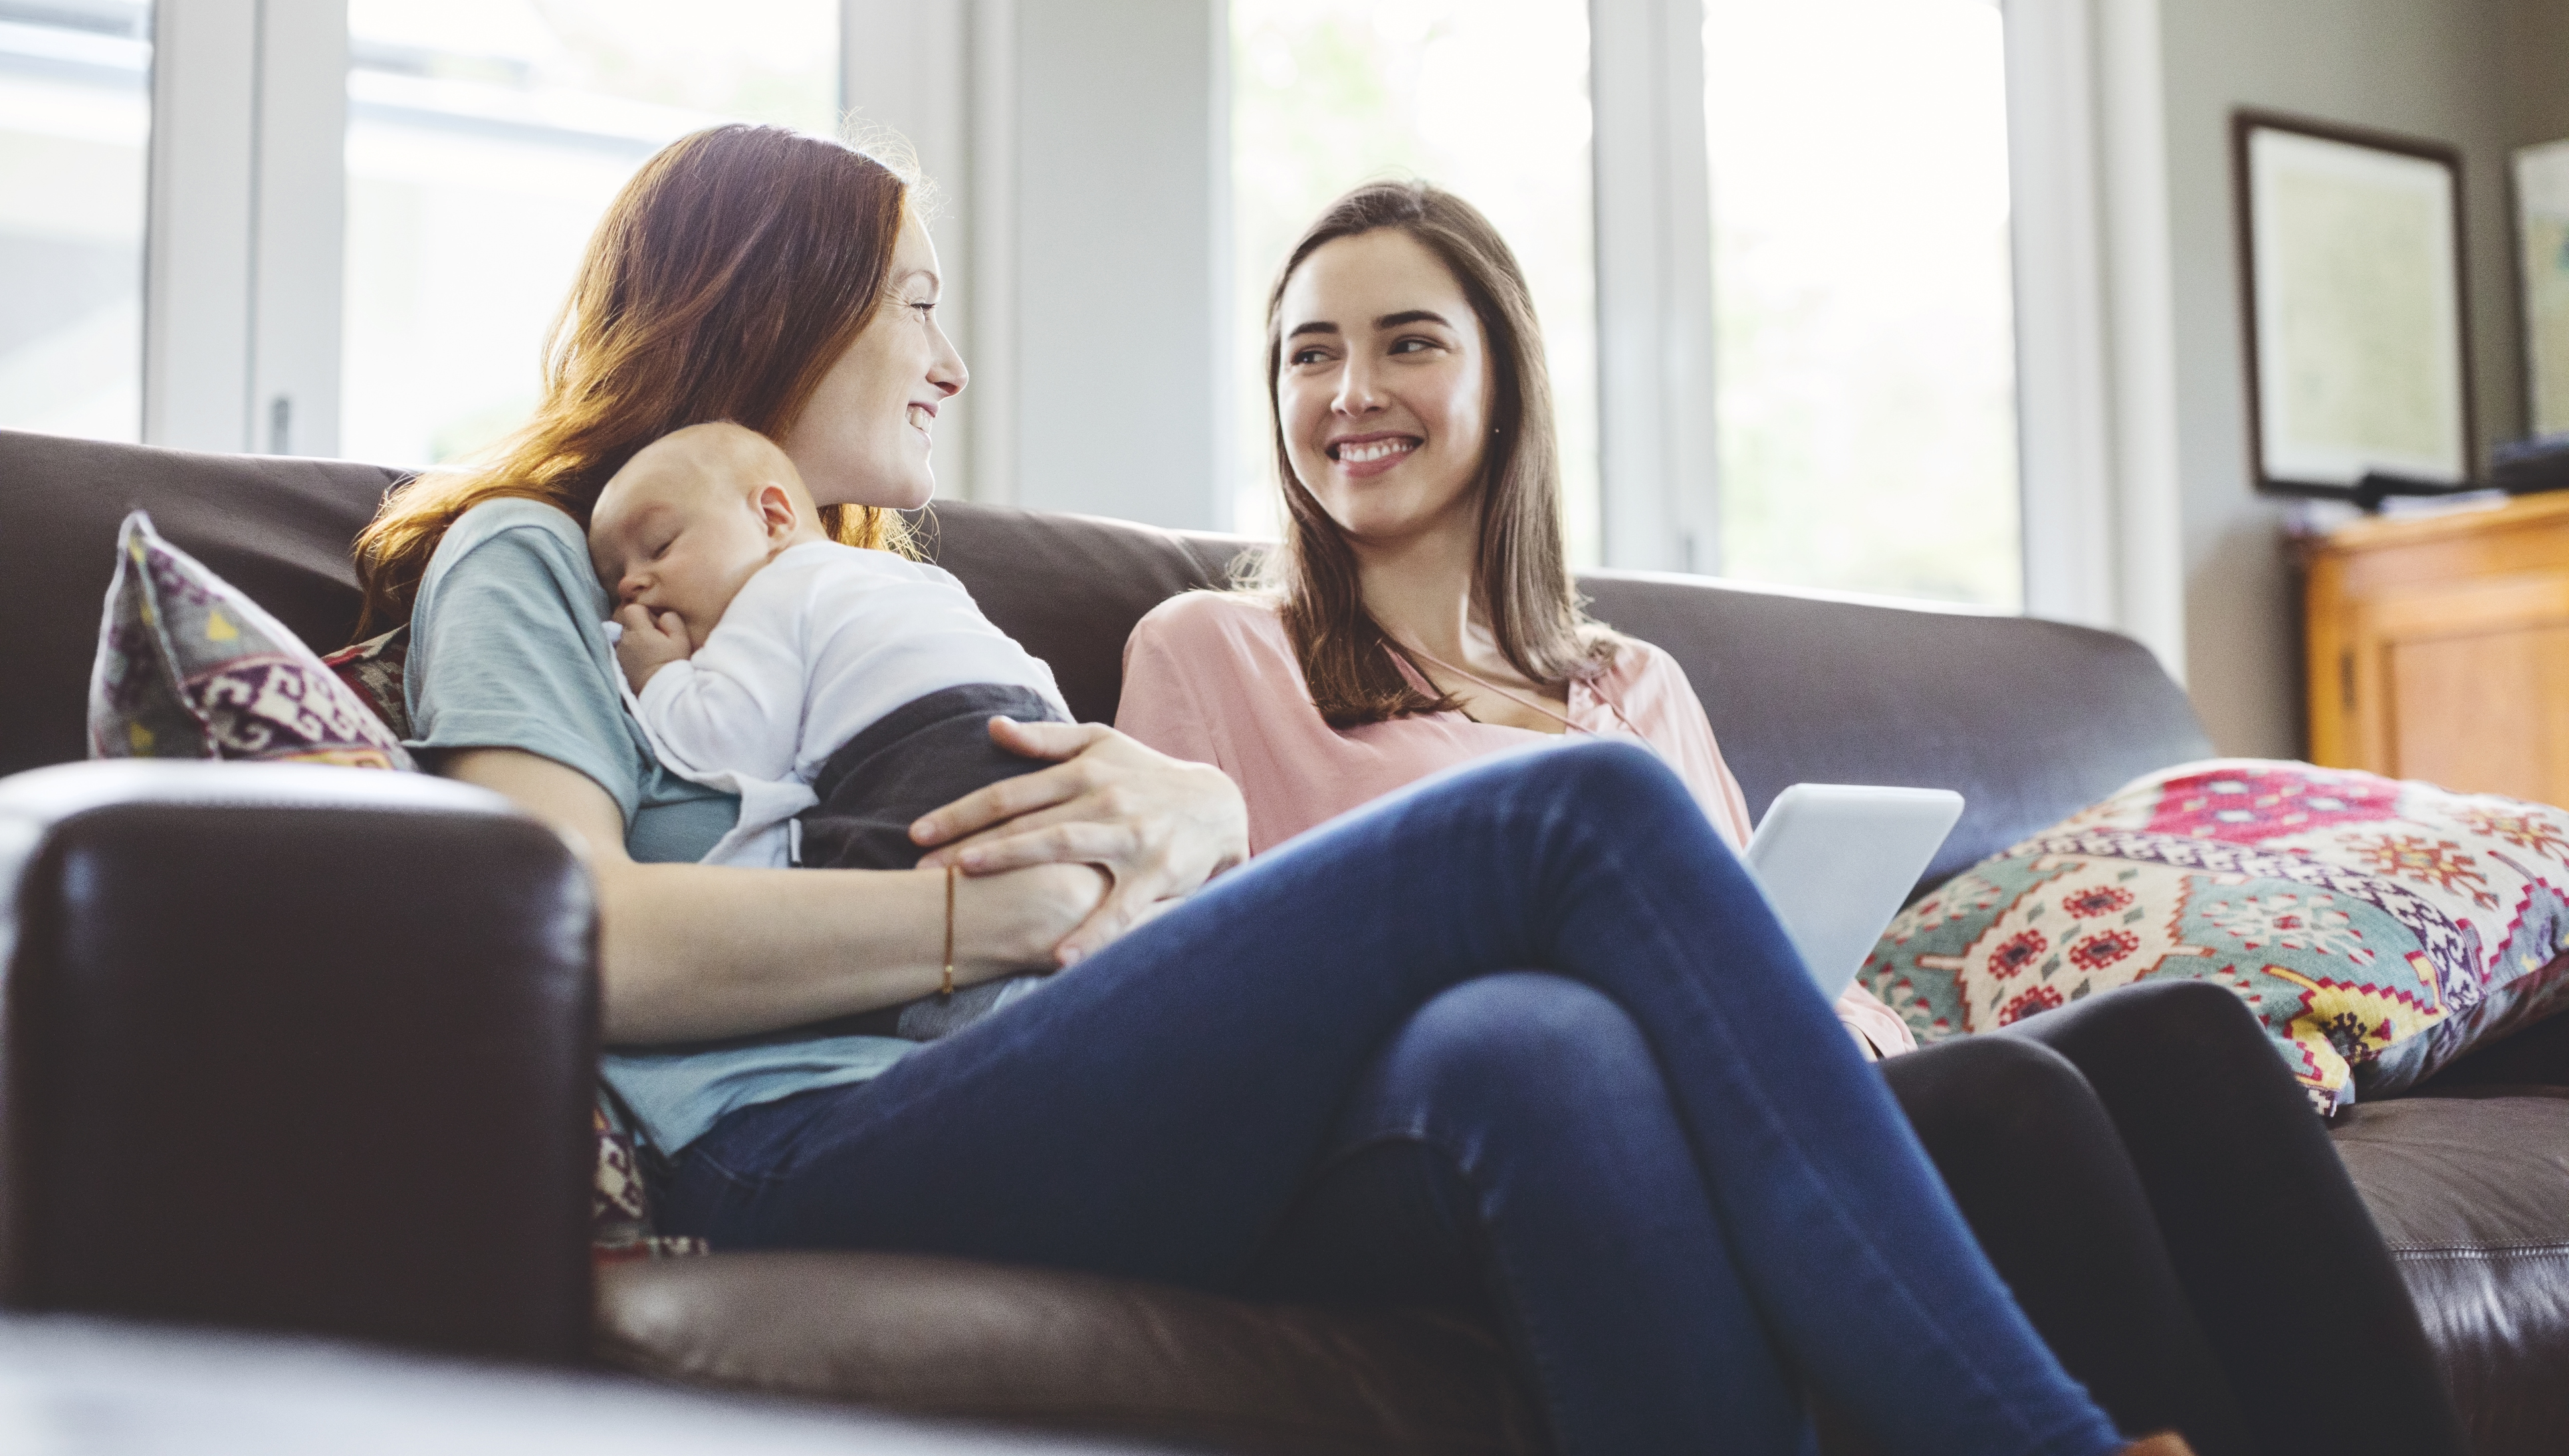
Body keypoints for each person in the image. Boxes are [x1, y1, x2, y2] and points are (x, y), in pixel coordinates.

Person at [356, 122, 2182, 1456]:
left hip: (1008, 1083)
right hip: (795, 1146)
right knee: (1578, 814)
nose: (950, 358)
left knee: (1542, 1054)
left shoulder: (878, 596)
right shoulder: (532, 557)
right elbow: (566, 941)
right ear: (773, 300)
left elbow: (1115, 888)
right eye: (915, 301)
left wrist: (1193, 826)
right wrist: (957, 916)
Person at [1114, 177, 2467, 1456]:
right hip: (1534, 1113)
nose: (1351, 391)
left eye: (1406, 344)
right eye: (1307, 354)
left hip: (1767, 1084)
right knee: (2005, 1098)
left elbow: (1754, 929)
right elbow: (1189, 998)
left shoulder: (1625, 682)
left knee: (2184, 1029)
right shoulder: (1216, 650)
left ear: (1502, 380)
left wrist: (1853, 1030)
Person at [587, 419, 1070, 1037]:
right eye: (613, 579)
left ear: (772, 518)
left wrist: (658, 675)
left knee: (904, 978)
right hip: (1040, 751)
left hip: (923, 767)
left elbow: (724, 744)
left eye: (658, 546)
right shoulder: (918, 580)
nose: (631, 584)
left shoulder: (773, 591)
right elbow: (1034, 675)